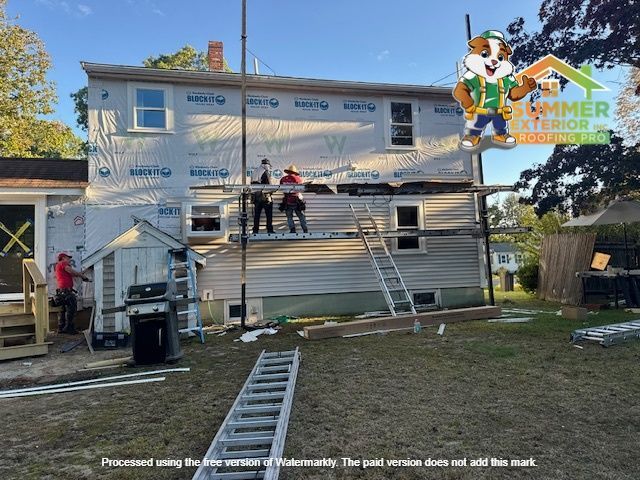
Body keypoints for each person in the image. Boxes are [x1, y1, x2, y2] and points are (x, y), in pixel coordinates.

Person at [54, 252, 89, 334]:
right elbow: (72, 271)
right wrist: (83, 276)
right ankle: (69, 328)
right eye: (68, 258)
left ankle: (61, 328)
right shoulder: (63, 263)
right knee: (71, 309)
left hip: (61, 291)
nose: (69, 260)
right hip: (66, 291)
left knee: (63, 310)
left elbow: (74, 274)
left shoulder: (59, 266)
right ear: (63, 258)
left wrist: (83, 272)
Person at [279, 164, 308, 233]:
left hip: (287, 201)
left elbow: (281, 188)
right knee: (301, 216)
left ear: (288, 172)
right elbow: (301, 189)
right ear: (294, 172)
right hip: (297, 201)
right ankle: (305, 230)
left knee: (289, 217)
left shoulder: (283, 179)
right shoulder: (298, 179)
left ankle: (292, 231)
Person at [251, 158, 275, 234]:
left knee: (257, 215)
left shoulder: (254, 171)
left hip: (256, 196)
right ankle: (270, 230)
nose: (269, 167)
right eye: (268, 165)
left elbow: (252, 184)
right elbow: (269, 185)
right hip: (265, 196)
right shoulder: (265, 172)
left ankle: (255, 231)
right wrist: (272, 192)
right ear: (266, 165)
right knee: (268, 214)